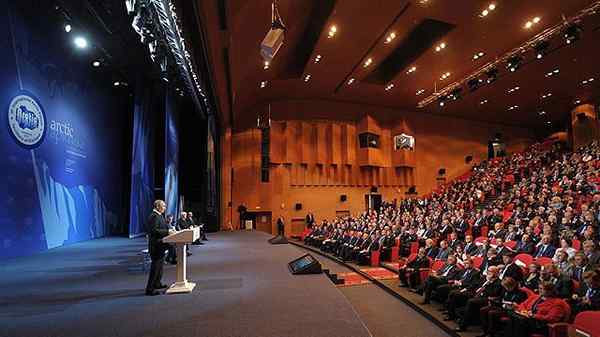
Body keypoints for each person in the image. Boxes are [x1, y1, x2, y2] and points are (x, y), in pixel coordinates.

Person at [504, 282, 571, 337]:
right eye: (539, 288)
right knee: (513, 315)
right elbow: (523, 304)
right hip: (528, 318)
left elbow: (552, 318)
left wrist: (533, 315)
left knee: (520, 322)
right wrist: (524, 311)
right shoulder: (535, 296)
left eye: (542, 289)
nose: (539, 290)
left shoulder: (557, 303)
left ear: (550, 291)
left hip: (541, 325)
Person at [145, 200, 173, 296]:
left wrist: (169, 229)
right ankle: (150, 289)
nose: (165, 208)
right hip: (156, 246)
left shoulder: (159, 216)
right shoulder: (154, 216)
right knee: (155, 268)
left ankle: (157, 283)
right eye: (163, 206)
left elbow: (163, 227)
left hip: (160, 245)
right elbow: (154, 231)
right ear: (157, 206)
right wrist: (167, 232)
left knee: (160, 267)